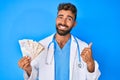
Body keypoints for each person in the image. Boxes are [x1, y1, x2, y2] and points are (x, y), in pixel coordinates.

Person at [18, 3, 101, 80]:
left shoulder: (83, 47)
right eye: (60, 17)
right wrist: (28, 68)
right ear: (56, 19)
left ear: (74, 24)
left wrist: (90, 62)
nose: (63, 22)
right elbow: (33, 76)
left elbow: (93, 78)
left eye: (69, 19)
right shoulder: (41, 45)